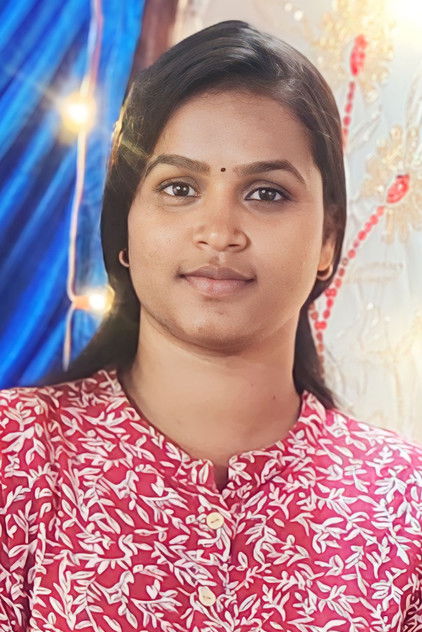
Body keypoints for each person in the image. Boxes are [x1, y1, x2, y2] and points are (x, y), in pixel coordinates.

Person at [0, 20, 420, 632]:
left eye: (267, 194)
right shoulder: (16, 458)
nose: (219, 232)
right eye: (178, 187)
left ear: (328, 238)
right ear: (124, 226)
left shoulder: (403, 505)